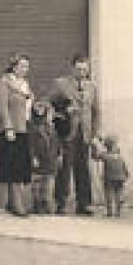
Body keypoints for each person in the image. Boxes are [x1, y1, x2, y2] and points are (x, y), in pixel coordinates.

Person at [51, 55, 100, 215]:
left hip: (84, 133)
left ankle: (83, 203)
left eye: (85, 69)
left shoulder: (92, 86)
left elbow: (96, 112)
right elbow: (50, 106)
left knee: (83, 169)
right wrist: (65, 111)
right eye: (79, 69)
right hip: (67, 132)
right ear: (72, 68)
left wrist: (94, 134)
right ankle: (61, 203)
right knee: (65, 168)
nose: (82, 72)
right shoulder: (61, 84)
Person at [0, 53, 34, 216]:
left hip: (22, 128)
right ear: (13, 66)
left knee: (20, 166)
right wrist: (8, 128)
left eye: (27, 66)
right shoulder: (4, 83)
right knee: (13, 167)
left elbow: (27, 106)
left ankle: (12, 203)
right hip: (9, 130)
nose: (25, 69)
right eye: (22, 66)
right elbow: (2, 107)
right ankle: (17, 204)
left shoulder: (24, 84)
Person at [28, 99, 61, 214]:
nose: (41, 111)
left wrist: (59, 155)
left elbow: (56, 143)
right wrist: (33, 157)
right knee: (36, 182)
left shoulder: (51, 128)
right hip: (39, 158)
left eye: (43, 109)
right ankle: (36, 205)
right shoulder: (31, 126)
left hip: (50, 159)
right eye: (38, 108)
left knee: (48, 183)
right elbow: (30, 144)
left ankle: (46, 204)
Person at [95, 135, 129, 216]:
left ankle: (109, 212)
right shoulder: (120, 156)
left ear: (106, 146)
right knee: (118, 194)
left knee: (109, 194)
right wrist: (126, 175)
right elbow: (124, 167)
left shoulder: (105, 155)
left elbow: (95, 157)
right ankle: (118, 212)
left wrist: (96, 145)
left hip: (109, 178)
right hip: (120, 177)